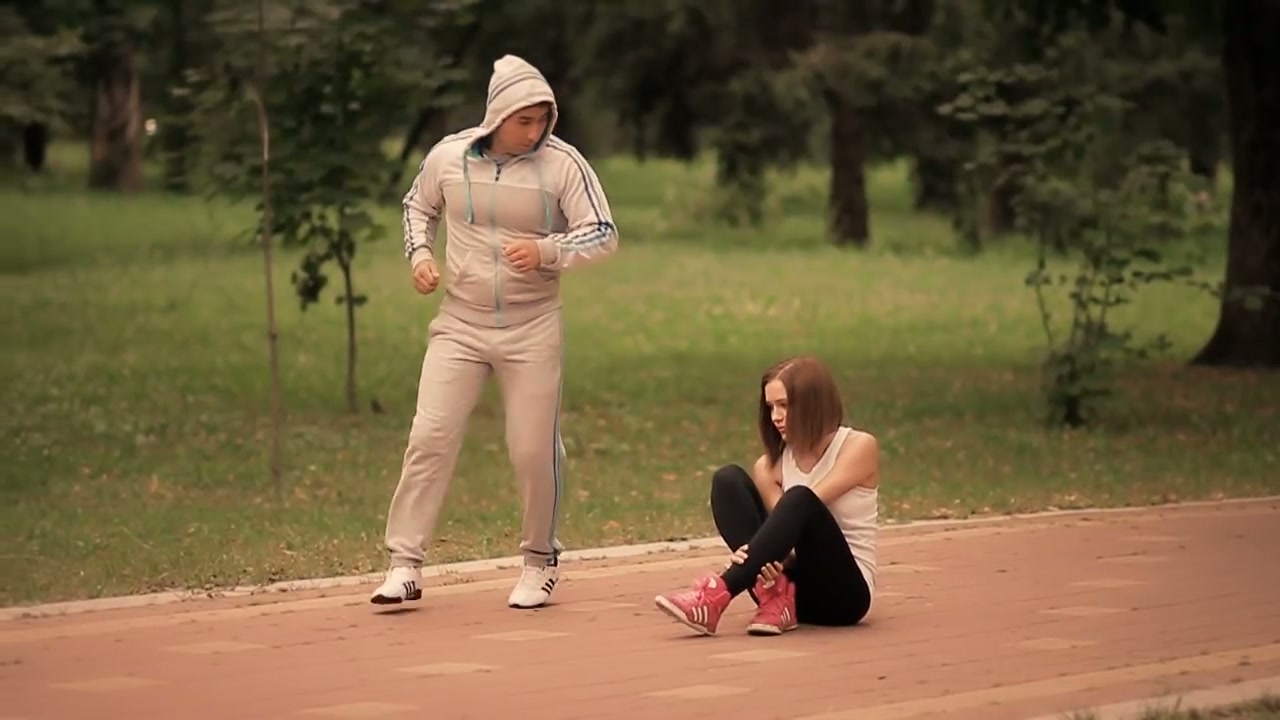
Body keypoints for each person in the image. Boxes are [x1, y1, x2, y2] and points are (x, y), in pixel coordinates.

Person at [370, 54, 619, 610]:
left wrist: (547, 251)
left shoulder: (563, 165)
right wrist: (420, 256)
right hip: (459, 323)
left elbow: (602, 232)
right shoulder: (448, 157)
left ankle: (540, 561)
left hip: (532, 327)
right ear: (497, 115)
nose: (534, 132)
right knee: (429, 437)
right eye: (523, 120)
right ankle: (404, 565)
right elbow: (417, 207)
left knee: (532, 449)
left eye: (542, 120)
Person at [653, 356, 879, 636]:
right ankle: (776, 598)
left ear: (812, 403)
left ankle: (717, 594)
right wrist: (760, 555)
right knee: (727, 480)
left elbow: (806, 507)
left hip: (843, 597)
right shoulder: (769, 466)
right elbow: (784, 544)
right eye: (771, 407)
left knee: (800, 498)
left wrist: (753, 555)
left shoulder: (858, 447)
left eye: (784, 405)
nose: (776, 417)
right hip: (789, 590)